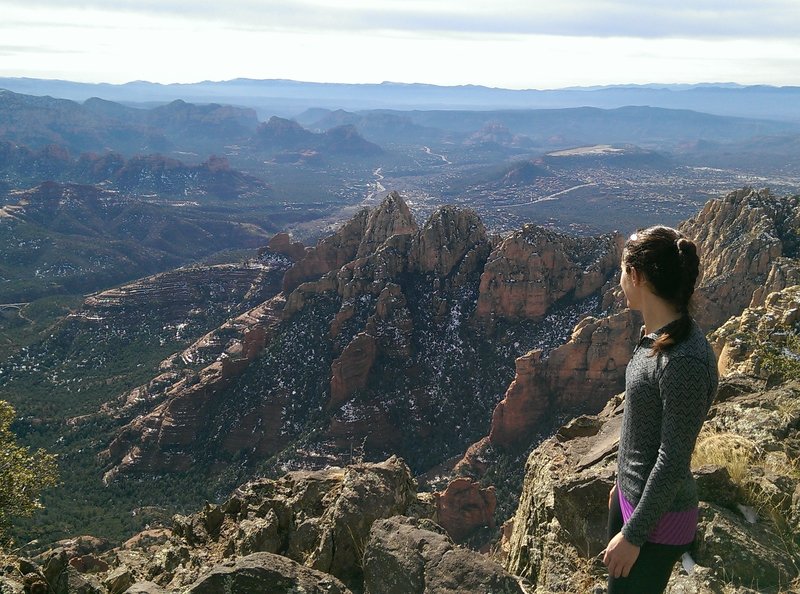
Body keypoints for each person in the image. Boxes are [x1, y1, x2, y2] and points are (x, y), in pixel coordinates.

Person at [602, 226, 718, 594]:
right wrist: (621, 483)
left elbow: (672, 459)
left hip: (656, 525)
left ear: (636, 276)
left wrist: (633, 535)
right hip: (632, 501)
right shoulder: (660, 336)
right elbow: (643, 426)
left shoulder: (683, 360)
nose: (619, 280)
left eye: (622, 271)